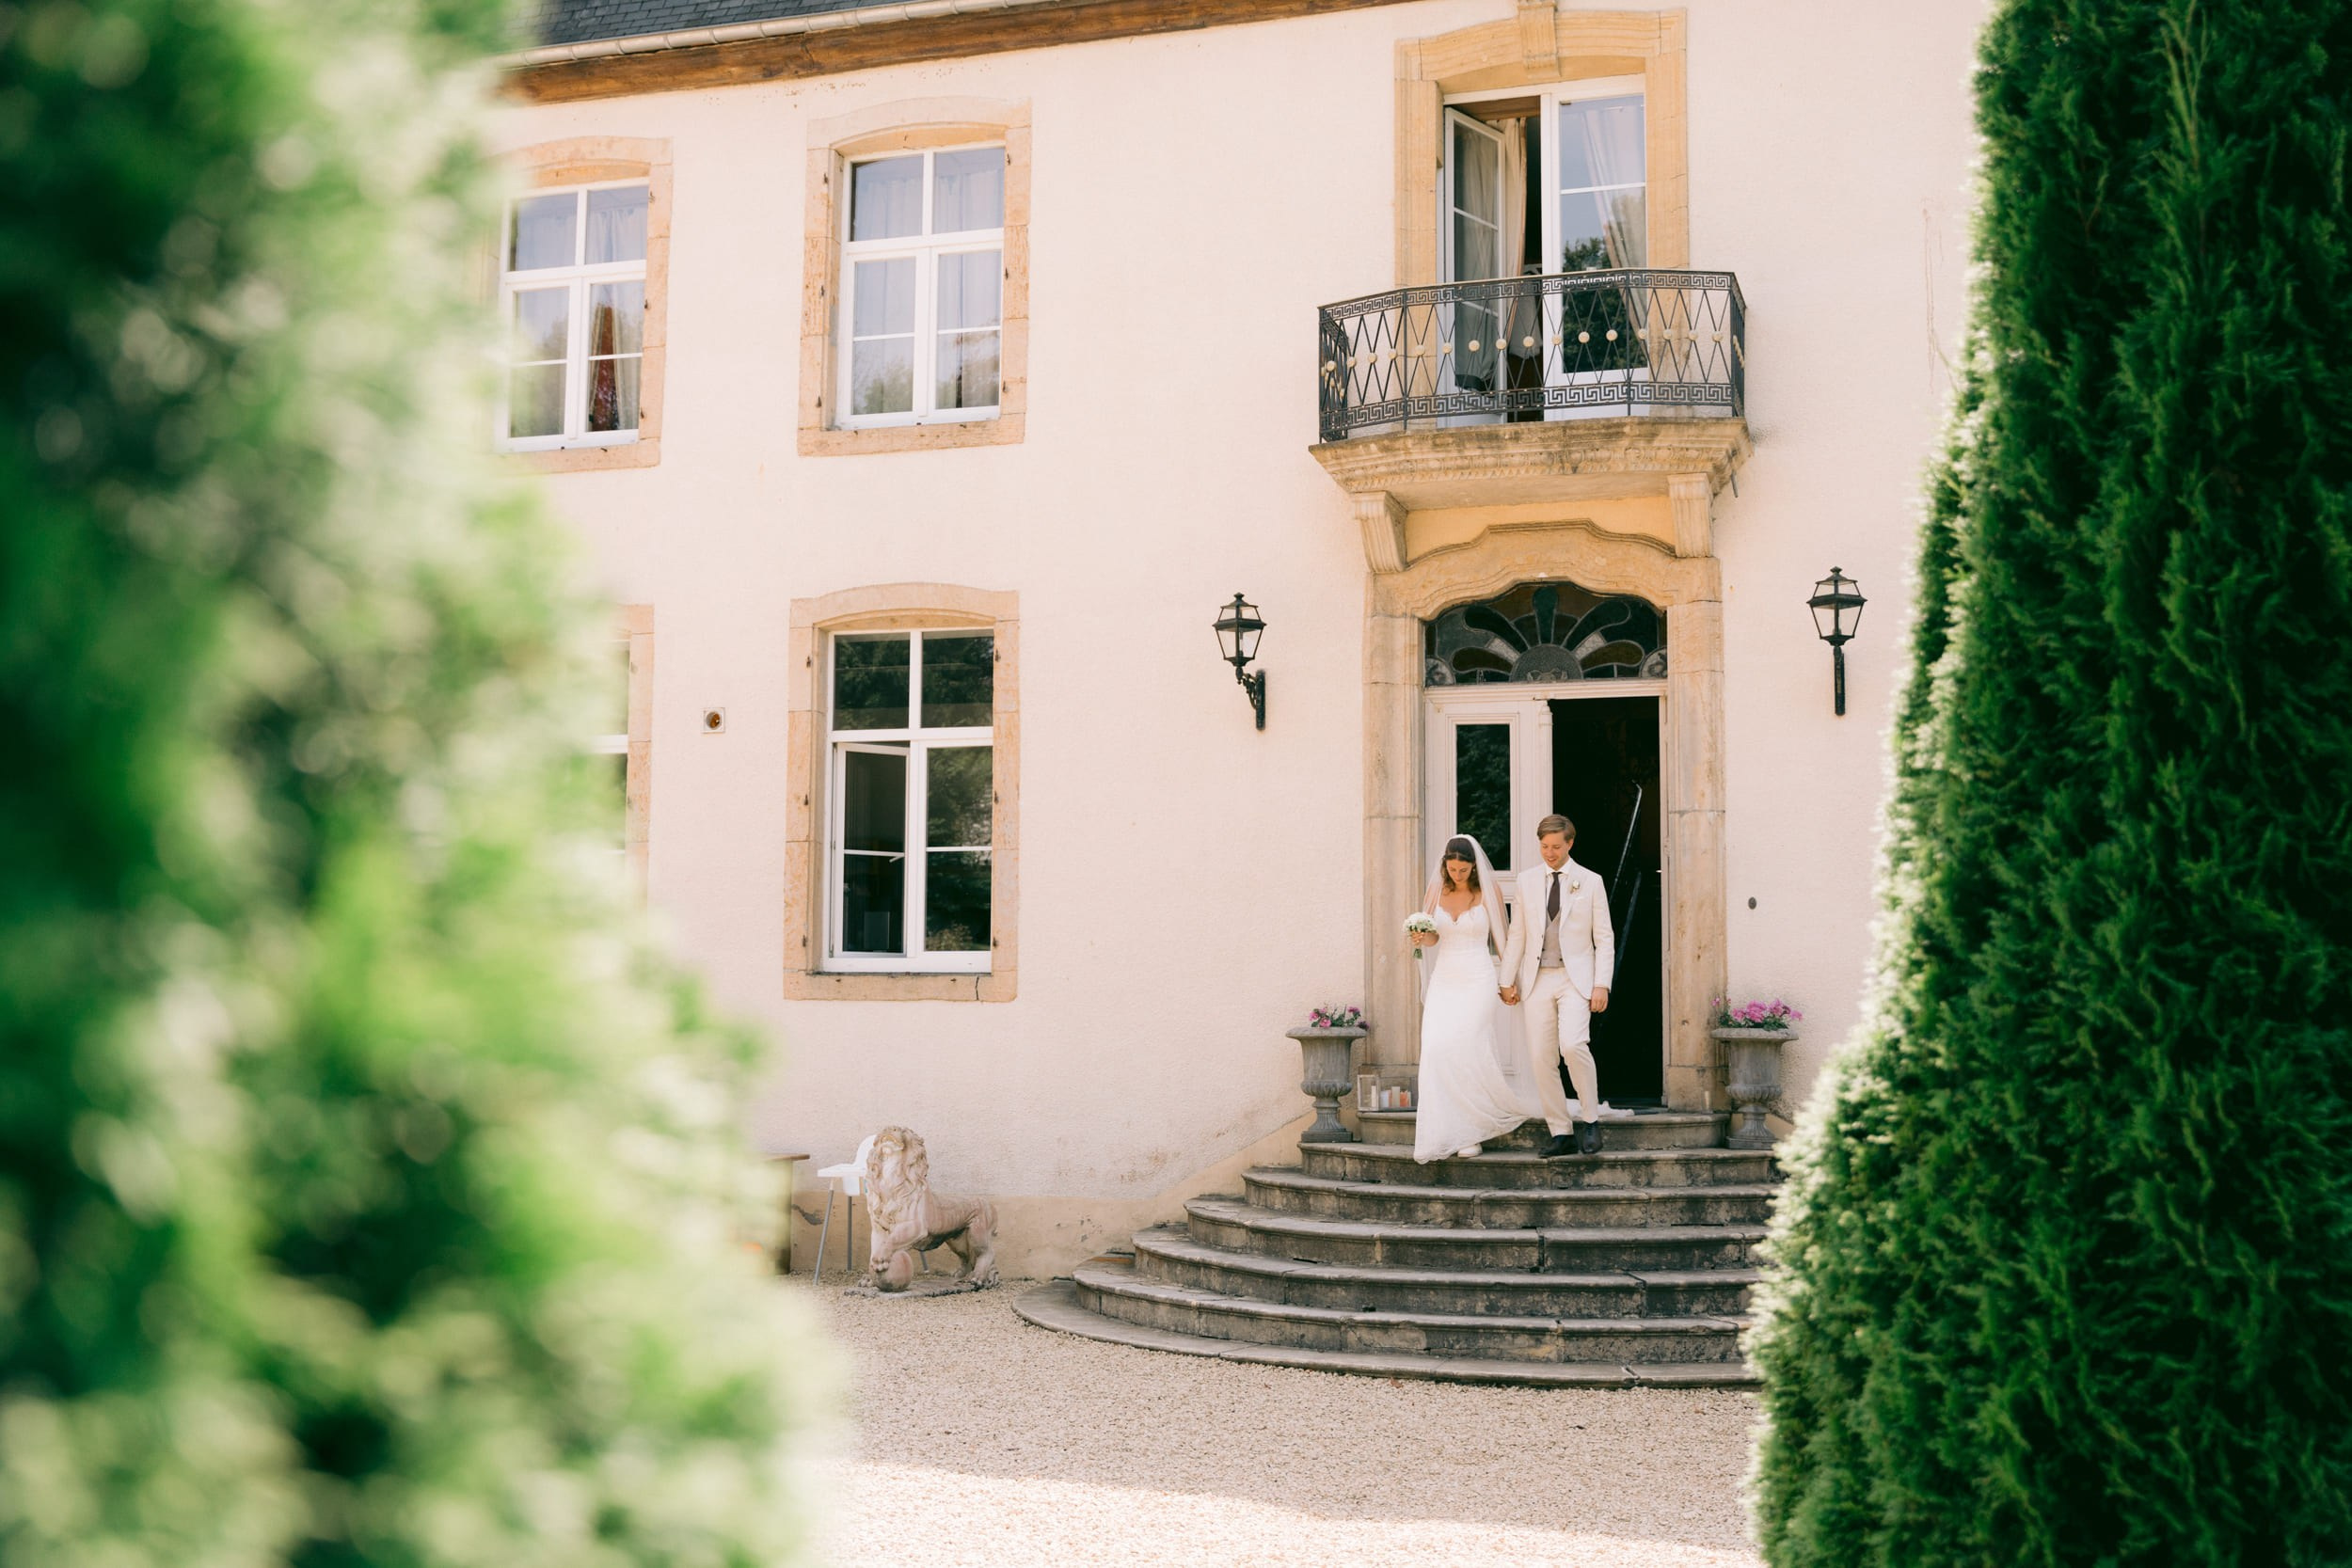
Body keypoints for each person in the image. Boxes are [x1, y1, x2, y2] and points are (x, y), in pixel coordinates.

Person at [1406, 835, 1539, 1162]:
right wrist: (1422, 937)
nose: (1457, 875)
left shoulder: (1486, 893)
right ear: (1445, 866)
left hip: (1478, 977)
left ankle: (1472, 1129)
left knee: (1467, 1045)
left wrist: (1510, 982)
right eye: (1452, 869)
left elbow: (1502, 939)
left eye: (1463, 870)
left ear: (1473, 867)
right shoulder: (1436, 891)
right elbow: (1435, 937)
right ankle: (1447, 1128)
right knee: (1437, 1048)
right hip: (1445, 979)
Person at [1498, 814, 1615, 1157]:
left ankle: (1590, 1120)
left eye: (1555, 847)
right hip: (1537, 979)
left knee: (1573, 1045)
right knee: (1540, 1058)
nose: (1549, 853)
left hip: (1575, 979)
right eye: (1544, 847)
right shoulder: (1527, 880)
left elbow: (1604, 938)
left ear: (1570, 844)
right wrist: (1506, 980)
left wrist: (1601, 985)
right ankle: (1561, 1131)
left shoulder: (1590, 881)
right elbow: (1517, 933)